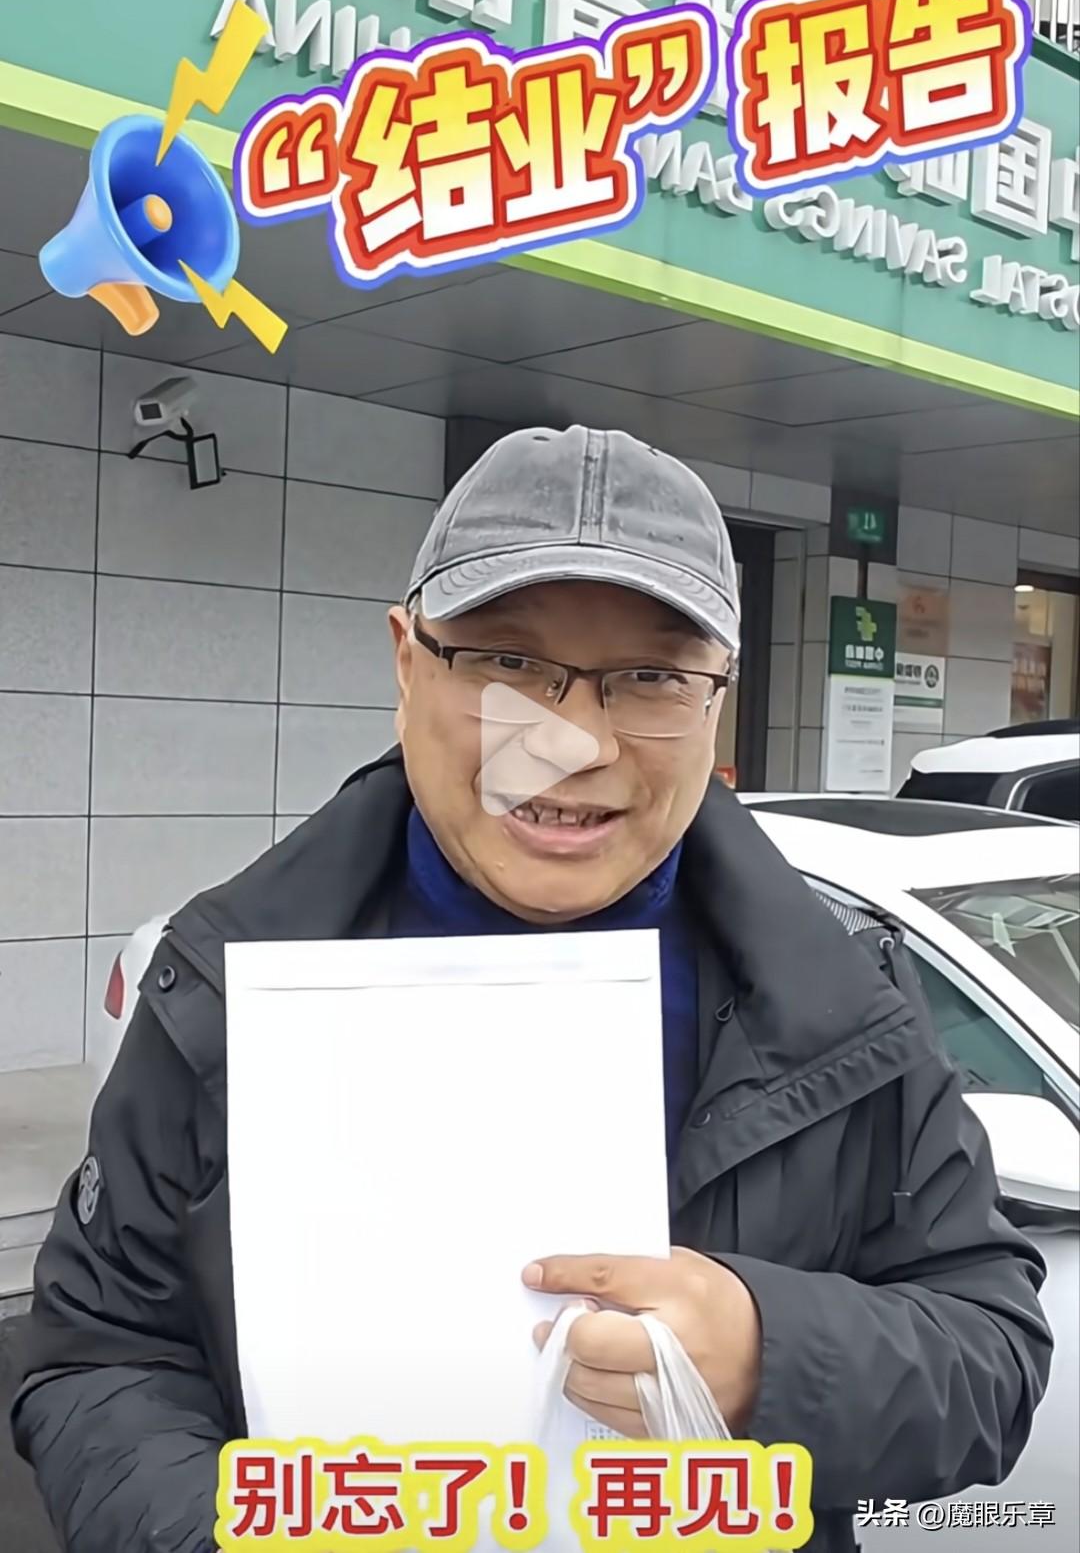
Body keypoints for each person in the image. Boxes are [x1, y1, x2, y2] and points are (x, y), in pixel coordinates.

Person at [13, 426, 1051, 1553]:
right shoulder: (225, 986)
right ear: (408, 664)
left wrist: (770, 1353)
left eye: (653, 677)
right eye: (507, 663)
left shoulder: (844, 1000)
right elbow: (100, 1352)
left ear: (717, 700)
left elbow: (989, 1354)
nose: (574, 743)